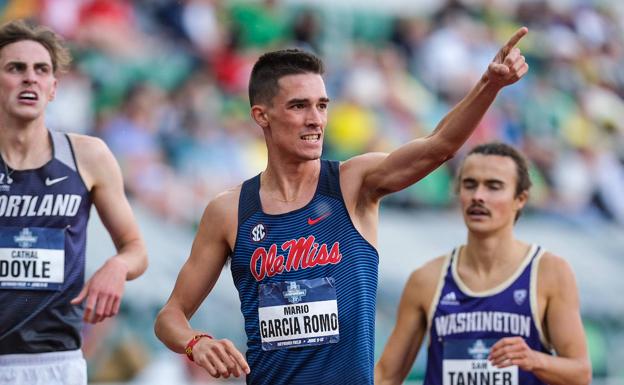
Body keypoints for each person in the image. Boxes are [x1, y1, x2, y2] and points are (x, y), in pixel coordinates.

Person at [154, 27, 529, 385]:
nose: (316, 119)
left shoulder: (354, 183)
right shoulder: (230, 212)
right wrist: (196, 343)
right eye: (299, 106)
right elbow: (170, 317)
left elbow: (439, 146)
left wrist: (489, 84)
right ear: (261, 116)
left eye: (322, 105)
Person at [0, 20, 147, 385]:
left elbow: (136, 250)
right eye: (15, 68)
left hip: (56, 362)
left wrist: (117, 266)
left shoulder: (88, 155)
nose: (29, 78)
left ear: (53, 88)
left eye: (41, 70)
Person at [375, 142, 592, 385]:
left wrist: (535, 360)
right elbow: (386, 375)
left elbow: (580, 374)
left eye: (493, 186)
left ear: (520, 198)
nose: (478, 196)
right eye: (470, 185)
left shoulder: (549, 272)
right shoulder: (427, 279)